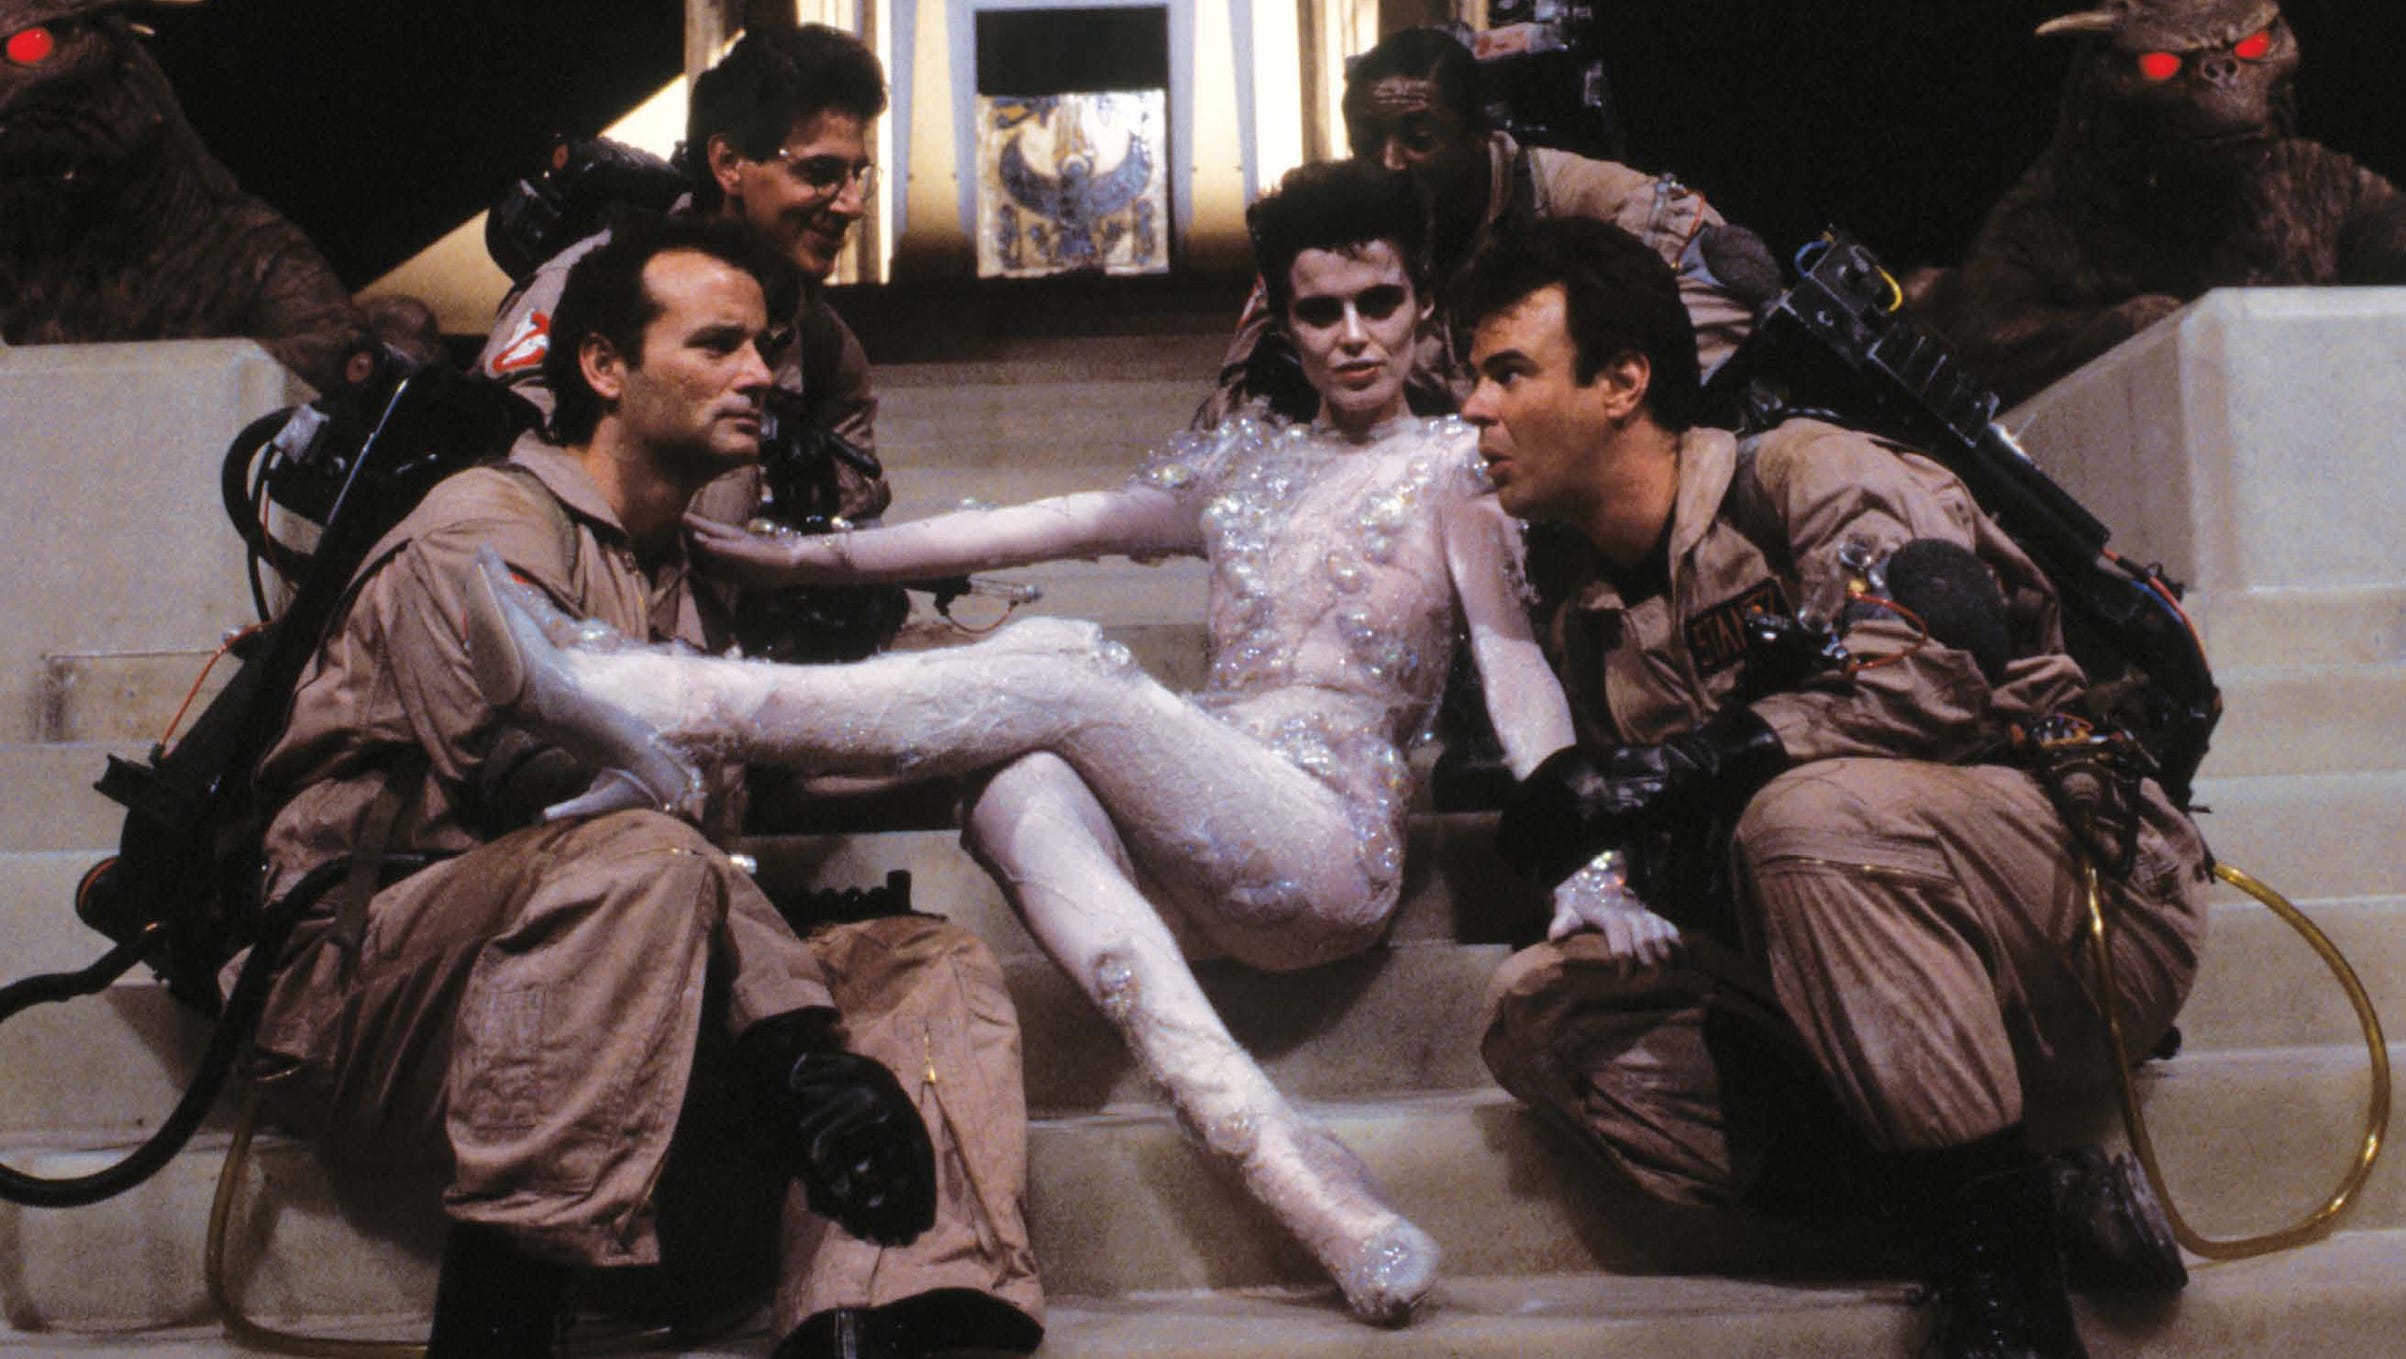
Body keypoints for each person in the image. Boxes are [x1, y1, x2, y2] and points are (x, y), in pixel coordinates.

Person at [451, 160, 1609, 1327]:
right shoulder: (1246, 463)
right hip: (1204, 841)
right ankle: (1304, 1184)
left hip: (1328, 843)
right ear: (1284, 324)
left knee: (1065, 661)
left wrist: (1588, 863)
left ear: (1423, 308)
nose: (1354, 336)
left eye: (1380, 304)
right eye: (1321, 311)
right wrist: (795, 559)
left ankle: (671, 700)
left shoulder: (1457, 468)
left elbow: (1515, 666)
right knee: (1017, 780)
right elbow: (1041, 526)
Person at [242, 216, 1044, 1359]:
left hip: (616, 962)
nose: (760, 375)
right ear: (604, 368)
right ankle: (501, 1320)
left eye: (763, 346)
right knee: (641, 857)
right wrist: (796, 1046)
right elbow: (565, 795)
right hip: (372, 990)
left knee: (926, 960)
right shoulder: (482, 527)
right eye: (716, 345)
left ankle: (880, 1315)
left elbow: (717, 811)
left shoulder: (682, 567)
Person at [1456, 217, 2208, 1359]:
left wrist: (1690, 764)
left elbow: (1933, 674)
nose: (1475, 408)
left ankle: (2013, 1317)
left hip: (2079, 908)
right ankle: (2023, 1206)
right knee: (1540, 1015)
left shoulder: (1808, 471)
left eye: (1508, 372)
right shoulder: (1594, 624)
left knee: (1802, 817)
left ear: (1621, 384)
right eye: (1474, 376)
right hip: (1855, 961)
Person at [1193, 26, 1772, 430]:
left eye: (1420, 139)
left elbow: (1722, 288)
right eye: (1369, 141)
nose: (1390, 162)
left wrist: (1572, 405)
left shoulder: (1576, 197)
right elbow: (1229, 414)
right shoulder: (1333, 226)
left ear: (1476, 134)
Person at [477, 22, 891, 531]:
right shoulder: (586, 289)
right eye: (820, 173)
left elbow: (853, 526)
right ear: (729, 163)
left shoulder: (826, 351)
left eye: (857, 176)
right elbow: (500, 481)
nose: (851, 205)